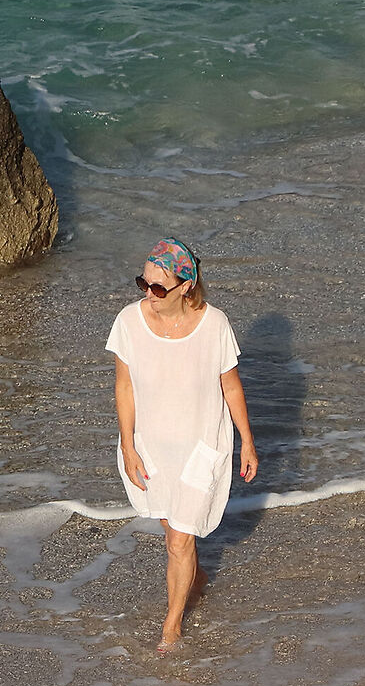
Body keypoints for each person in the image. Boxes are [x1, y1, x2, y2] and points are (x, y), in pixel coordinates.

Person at [107, 237, 259, 651]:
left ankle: (171, 625)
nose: (149, 294)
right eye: (144, 284)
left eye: (159, 287)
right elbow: (124, 387)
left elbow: (230, 386)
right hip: (151, 446)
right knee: (170, 526)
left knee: (178, 539)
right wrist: (127, 446)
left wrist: (247, 441)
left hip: (201, 447)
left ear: (185, 286)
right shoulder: (128, 323)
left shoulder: (215, 325)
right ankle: (196, 576)